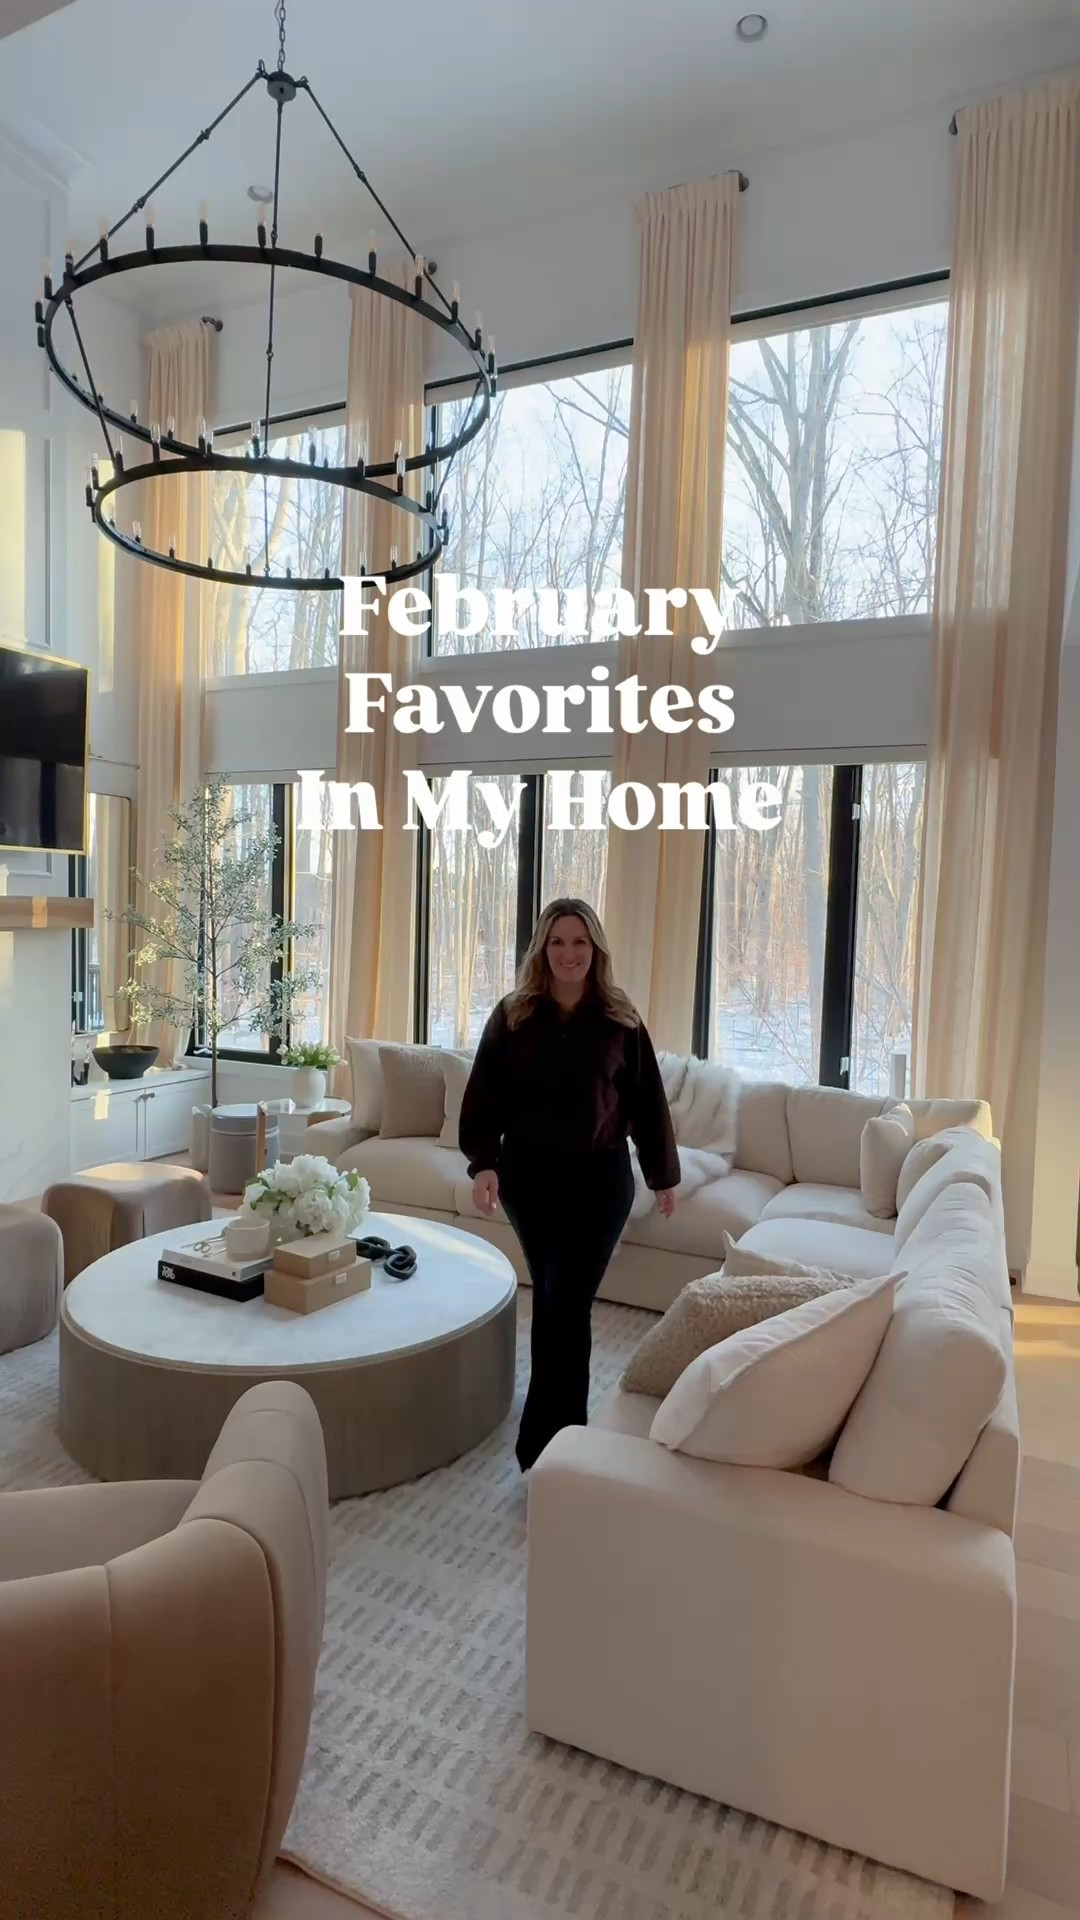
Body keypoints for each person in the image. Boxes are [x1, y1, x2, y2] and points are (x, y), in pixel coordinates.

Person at [458, 897, 679, 1472]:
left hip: (600, 1184)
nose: (569, 953)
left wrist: (662, 1176)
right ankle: (556, 1451)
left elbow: (647, 1102)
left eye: (580, 942)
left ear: (595, 950)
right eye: (557, 942)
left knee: (564, 1304)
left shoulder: (621, 1020)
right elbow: (484, 1098)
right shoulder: (513, 1016)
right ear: (542, 949)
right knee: (556, 1301)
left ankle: (549, 1449)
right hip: (528, 1185)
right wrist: (484, 1164)